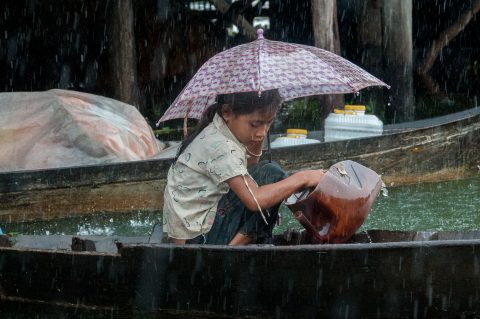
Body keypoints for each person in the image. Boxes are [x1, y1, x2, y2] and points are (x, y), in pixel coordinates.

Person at [163, 89, 325, 245]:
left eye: (269, 122)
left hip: (198, 233)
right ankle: (232, 250)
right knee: (272, 173)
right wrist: (302, 178)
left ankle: (240, 244)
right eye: (255, 124)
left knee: (267, 173)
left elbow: (250, 170)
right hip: (199, 240)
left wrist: (257, 135)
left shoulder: (218, 130)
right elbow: (254, 200)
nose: (262, 131)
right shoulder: (219, 145)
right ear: (227, 112)